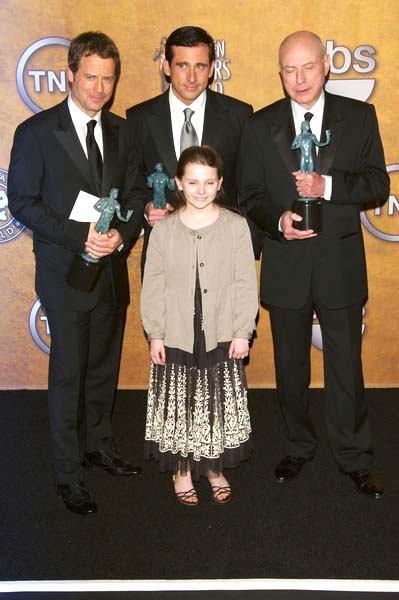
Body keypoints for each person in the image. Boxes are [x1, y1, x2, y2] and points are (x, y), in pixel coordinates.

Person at [238, 31, 389, 498]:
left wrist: (326, 187)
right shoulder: (259, 125)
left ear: (325, 65)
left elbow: (377, 185)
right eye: (289, 69)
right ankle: (299, 445)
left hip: (339, 264)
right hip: (285, 266)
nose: (299, 78)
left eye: (307, 66)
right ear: (279, 73)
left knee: (346, 365)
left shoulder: (359, 117)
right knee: (290, 368)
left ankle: (353, 455)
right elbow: (249, 196)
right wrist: (277, 219)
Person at [8, 31, 146, 515]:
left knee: (103, 367)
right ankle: (68, 474)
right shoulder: (36, 133)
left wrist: (121, 237)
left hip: (110, 269)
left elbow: (133, 197)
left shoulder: (124, 131)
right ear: (70, 75)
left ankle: (99, 446)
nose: (99, 88)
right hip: (64, 272)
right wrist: (77, 235)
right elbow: (23, 201)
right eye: (90, 77)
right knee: (69, 371)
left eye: (108, 79)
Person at [140, 146, 258, 506]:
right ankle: (181, 469)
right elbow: (153, 283)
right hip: (177, 328)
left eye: (209, 182)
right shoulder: (163, 231)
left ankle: (213, 466)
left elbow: (244, 282)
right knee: (183, 398)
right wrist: (155, 332)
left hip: (220, 328)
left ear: (220, 183)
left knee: (214, 398)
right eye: (192, 182)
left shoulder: (236, 226)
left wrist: (242, 330)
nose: (201, 190)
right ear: (178, 183)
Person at [126, 25, 255, 272]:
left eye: (200, 66)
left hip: (223, 252)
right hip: (164, 253)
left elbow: (249, 186)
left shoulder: (239, 116)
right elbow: (131, 182)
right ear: (166, 66)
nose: (192, 77)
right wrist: (146, 207)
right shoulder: (138, 119)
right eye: (183, 65)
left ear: (212, 68)